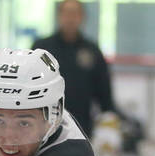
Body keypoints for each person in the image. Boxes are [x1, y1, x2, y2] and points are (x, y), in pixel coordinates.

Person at [32, 0, 114, 139]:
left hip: (82, 127)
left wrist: (109, 124)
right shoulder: (42, 49)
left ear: (82, 17)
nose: (70, 18)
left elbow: (104, 92)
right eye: (67, 13)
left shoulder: (92, 51)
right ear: (59, 16)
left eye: (75, 14)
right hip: (45, 125)